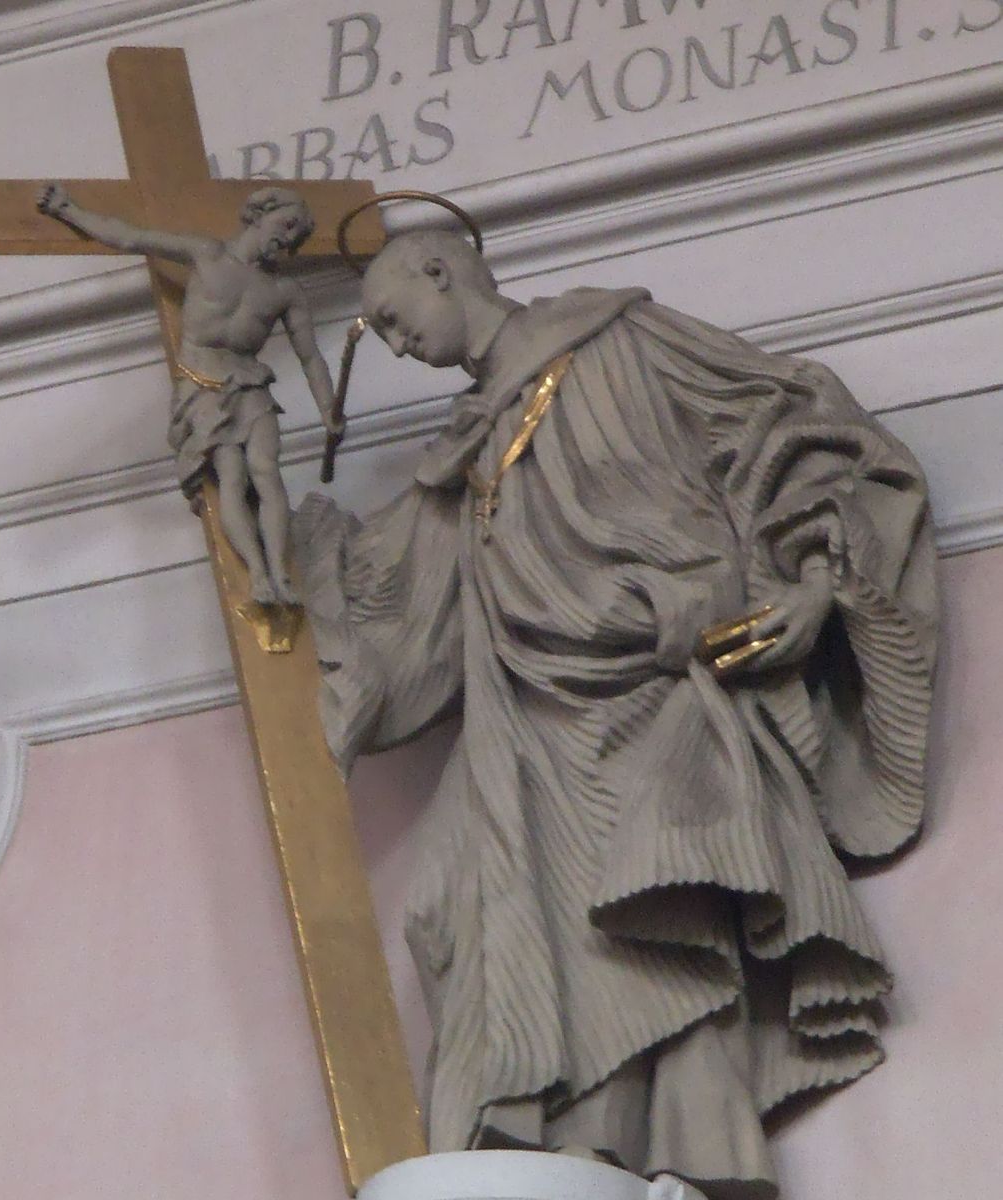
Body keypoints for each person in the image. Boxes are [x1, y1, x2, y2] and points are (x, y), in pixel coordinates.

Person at [291, 227, 938, 1199]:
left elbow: (797, 431)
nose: (393, 343)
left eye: (392, 316)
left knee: (647, 922)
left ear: (443, 269)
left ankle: (660, 1161)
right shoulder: (469, 450)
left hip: (655, 697)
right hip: (522, 723)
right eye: (377, 335)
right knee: (456, 918)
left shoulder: (623, 342)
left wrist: (814, 582)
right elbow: (391, 615)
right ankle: (528, 1152)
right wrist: (244, 479)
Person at [36, 183, 341, 606]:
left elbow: (310, 357)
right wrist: (68, 210)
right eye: (286, 224)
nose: (287, 238)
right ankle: (257, 573)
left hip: (250, 384)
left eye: (297, 236)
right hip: (204, 385)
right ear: (260, 212)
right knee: (232, 476)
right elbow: (129, 237)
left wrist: (329, 409)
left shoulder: (284, 291)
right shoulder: (207, 253)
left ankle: (280, 570)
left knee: (267, 472)